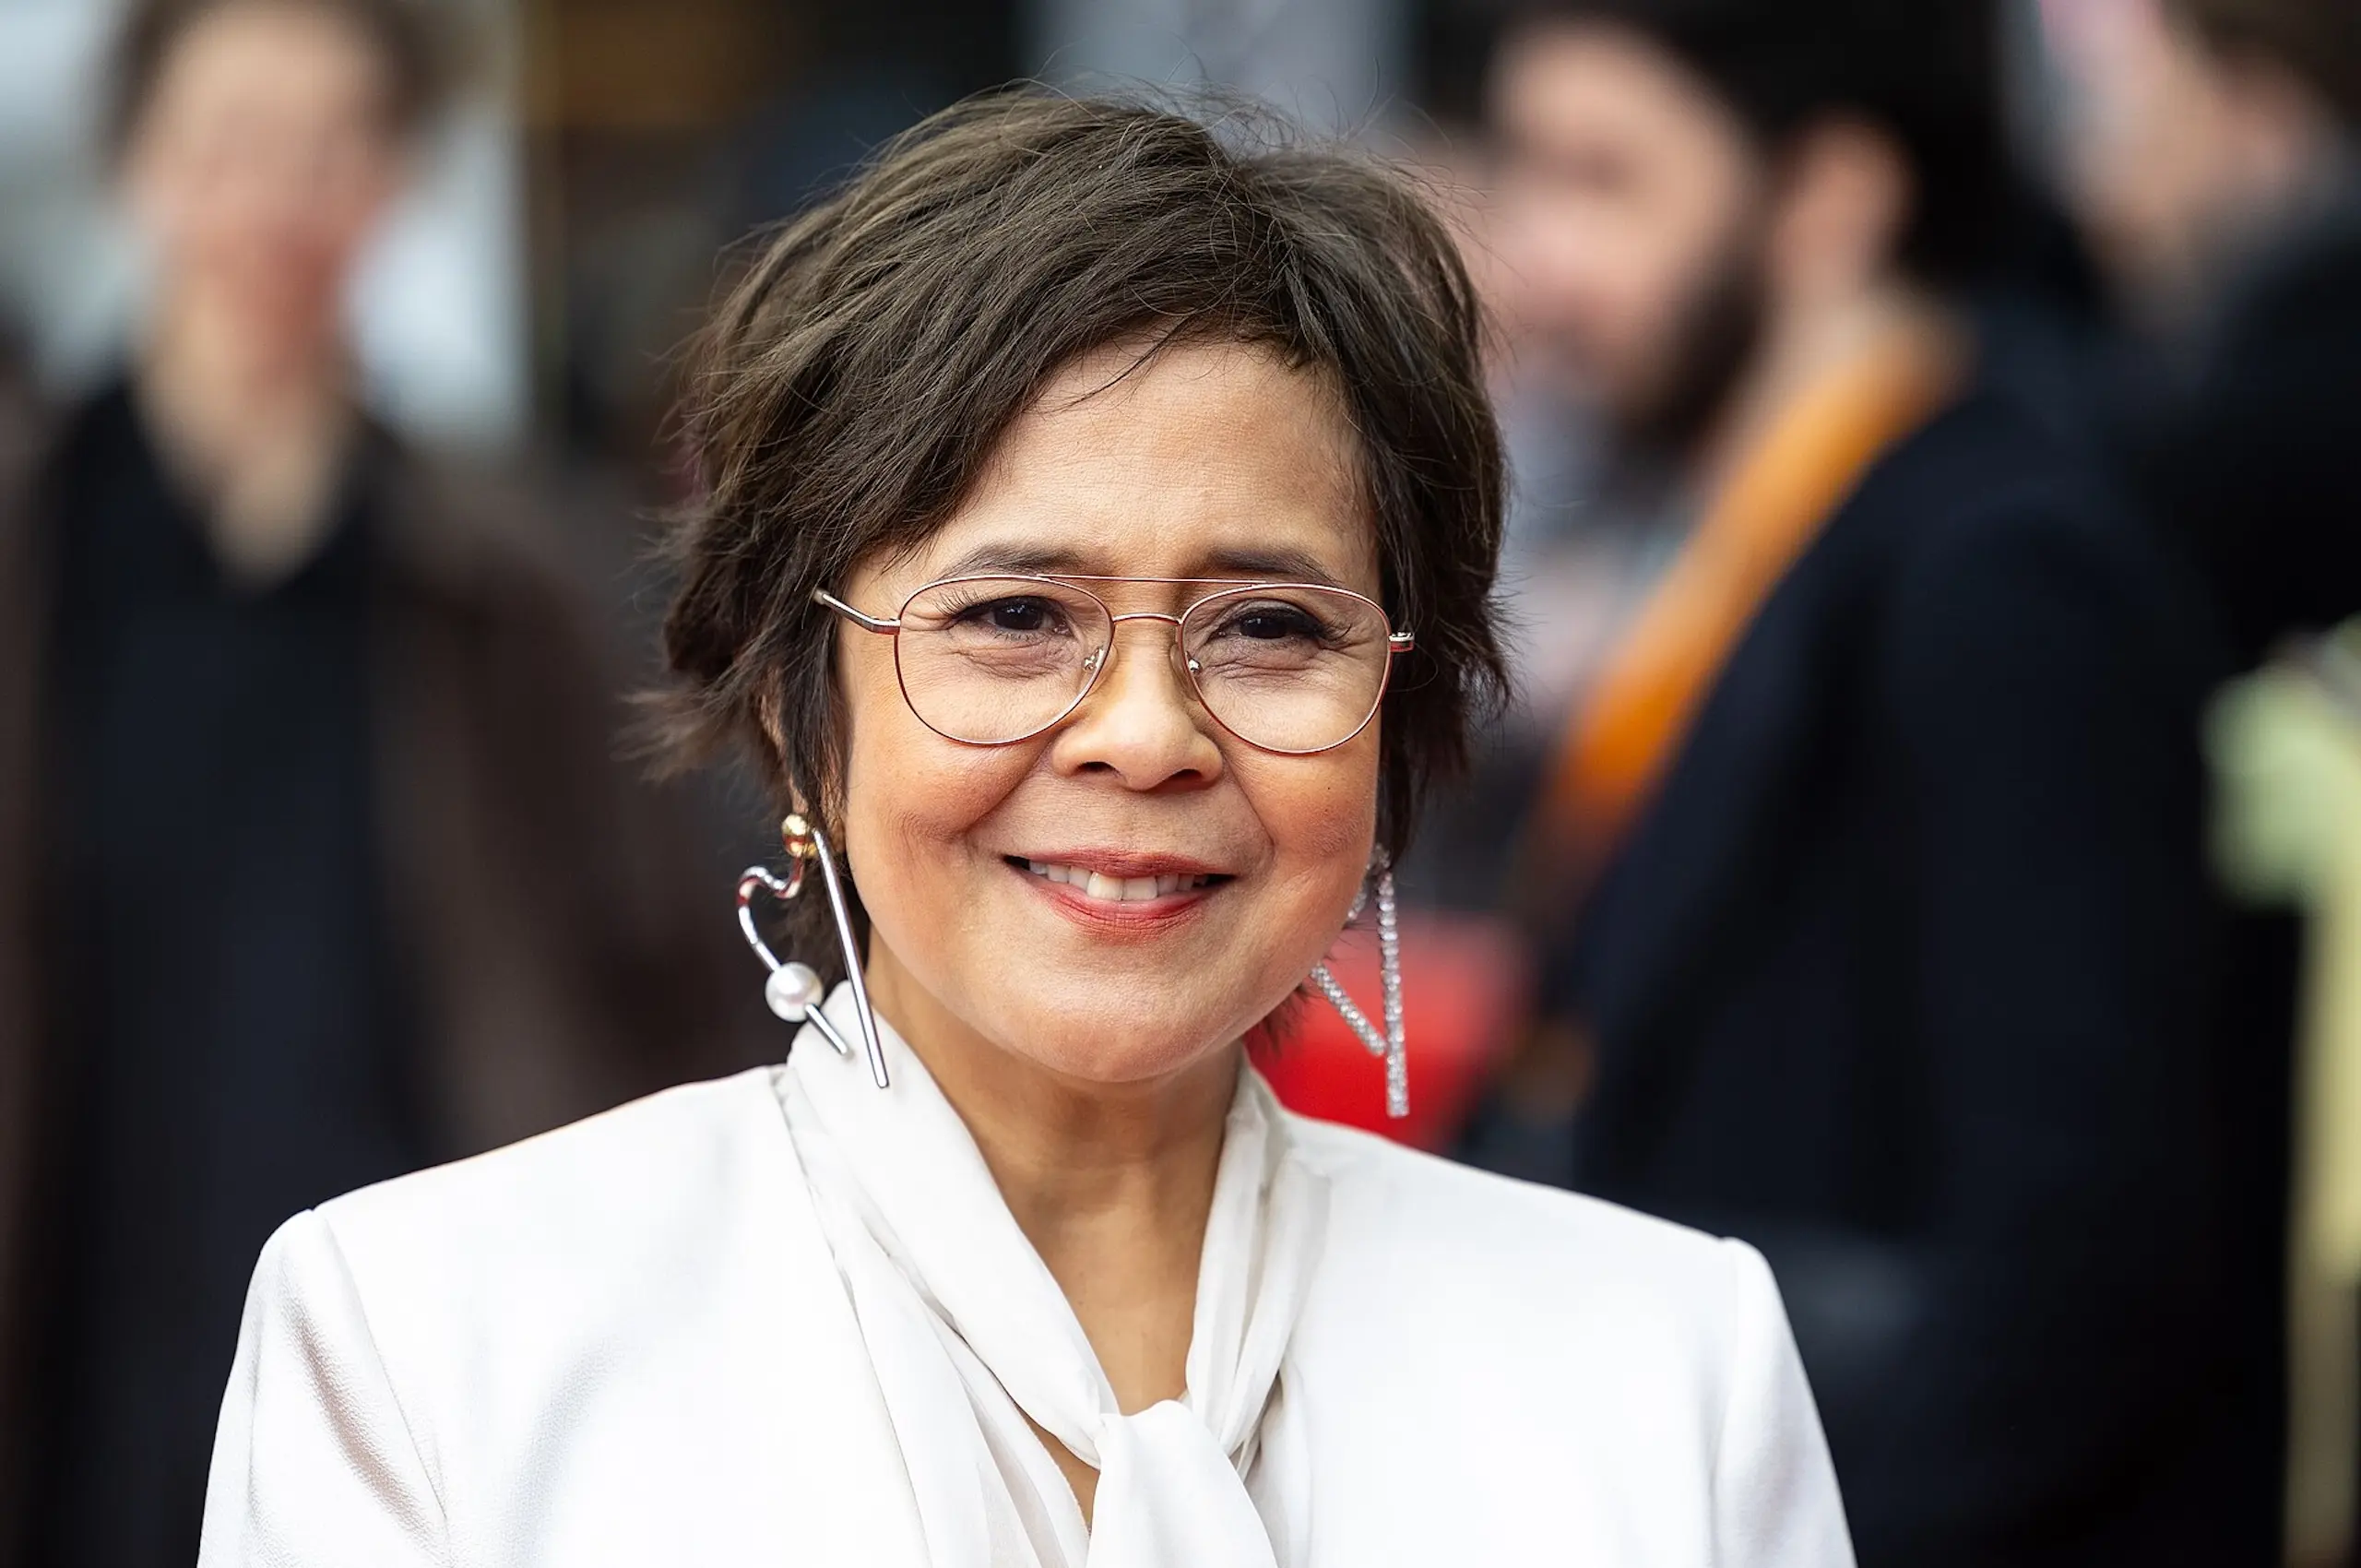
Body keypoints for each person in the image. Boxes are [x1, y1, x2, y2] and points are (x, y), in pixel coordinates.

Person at [193, 91, 1857, 1566]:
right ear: (792, 701)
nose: (1145, 734)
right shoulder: (433, 1352)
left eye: (1269, 627)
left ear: (1400, 708)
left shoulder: (1665, 1374)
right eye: (1012, 618)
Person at [1480, 1, 2245, 1562]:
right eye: (1525, 171)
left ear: (1832, 195)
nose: (1535, 262)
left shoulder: (2001, 563)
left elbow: (2083, 1247)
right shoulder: (1778, 533)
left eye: (1605, 177)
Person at [0, 2, 758, 1561]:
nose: (278, 199)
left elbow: (665, 965)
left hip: (409, 1338)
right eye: (230, 142)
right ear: (140, 167)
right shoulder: (34, 540)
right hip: (75, 1333)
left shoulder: (509, 570)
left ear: (395, 180)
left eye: (330, 146)